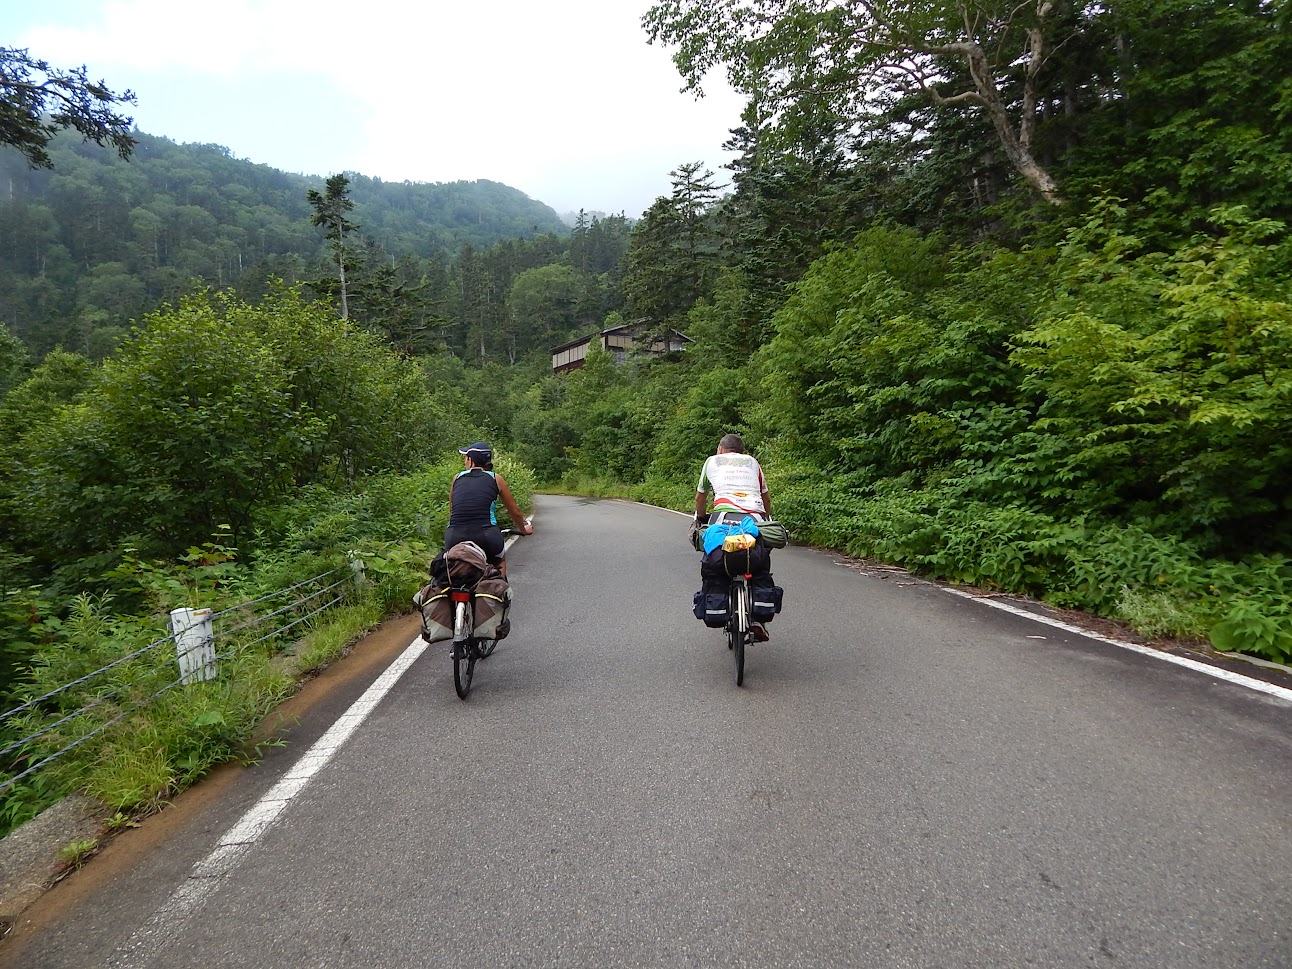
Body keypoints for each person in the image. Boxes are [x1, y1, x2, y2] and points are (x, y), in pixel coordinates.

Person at [694, 433, 773, 641]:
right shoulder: (752, 462)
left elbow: (700, 496)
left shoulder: (712, 461)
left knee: (715, 556)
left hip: (722, 518)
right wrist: (765, 518)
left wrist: (701, 518)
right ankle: (757, 619)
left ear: (720, 449)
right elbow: (765, 497)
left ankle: (718, 602)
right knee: (759, 558)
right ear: (741, 451)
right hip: (753, 518)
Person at [444, 442, 532, 576]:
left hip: (454, 535)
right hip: (486, 536)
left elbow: (452, 511)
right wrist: (523, 530)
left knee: (450, 566)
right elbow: (515, 512)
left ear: (470, 460)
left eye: (465, 457)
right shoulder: (496, 478)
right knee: (499, 561)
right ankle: (500, 589)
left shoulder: (457, 478)